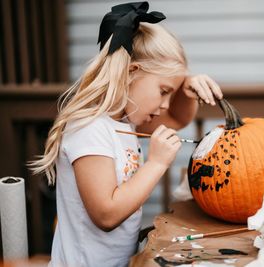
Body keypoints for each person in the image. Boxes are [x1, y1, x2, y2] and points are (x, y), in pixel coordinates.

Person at [30, 2, 223, 266]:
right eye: (164, 91)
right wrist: (156, 163)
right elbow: (106, 215)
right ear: (132, 73)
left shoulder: (125, 120)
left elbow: (179, 118)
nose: (166, 104)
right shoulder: (90, 127)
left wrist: (186, 86)